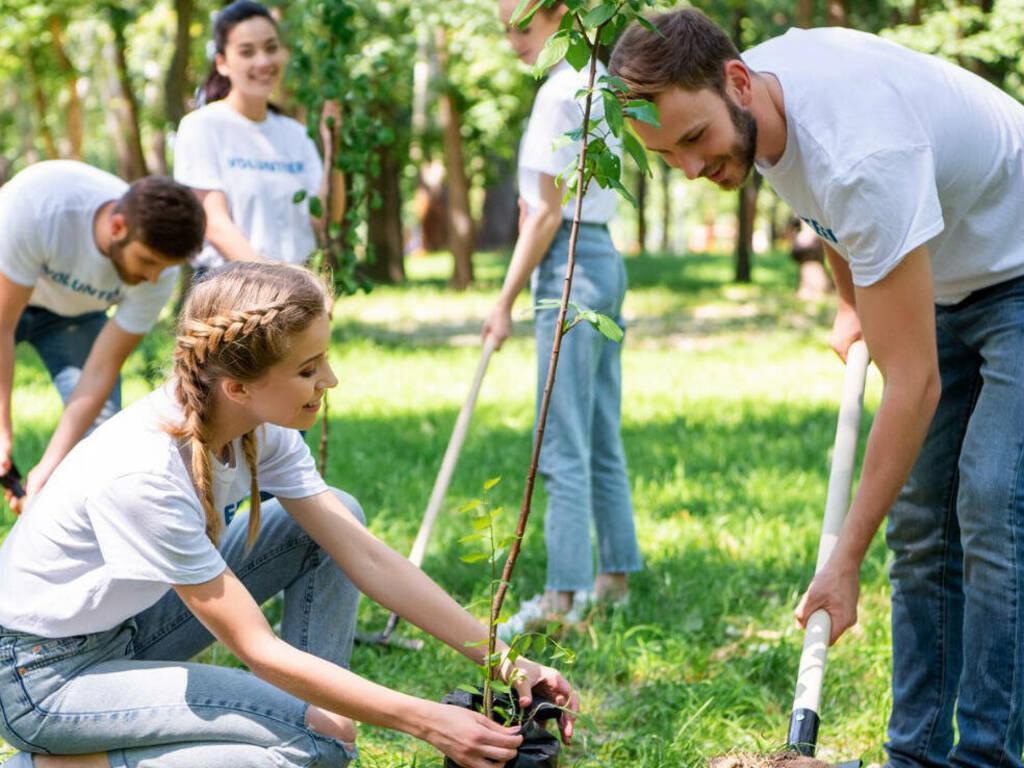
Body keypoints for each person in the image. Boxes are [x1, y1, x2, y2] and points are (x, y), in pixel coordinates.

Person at [610, 9, 1024, 768]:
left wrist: (843, 562)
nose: (691, 169)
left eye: (695, 140)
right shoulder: (753, 99)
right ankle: (916, 754)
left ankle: (990, 755)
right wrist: (848, 297)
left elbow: (914, 385)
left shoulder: (862, 151)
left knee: (994, 501)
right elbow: (827, 211)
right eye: (666, 155)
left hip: (1018, 268)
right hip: (947, 273)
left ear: (737, 81)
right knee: (923, 523)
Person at [0, 262, 577, 768]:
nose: (329, 381)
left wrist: (505, 661)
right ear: (238, 387)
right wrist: (423, 718)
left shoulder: (254, 427)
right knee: (320, 742)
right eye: (308, 369)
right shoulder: (145, 473)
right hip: (41, 680)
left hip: (125, 630)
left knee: (335, 523)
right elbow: (258, 648)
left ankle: (321, 711)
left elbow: (365, 555)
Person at [485, 0, 643, 637]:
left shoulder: (558, 92)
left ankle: (563, 595)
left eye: (522, 27)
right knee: (600, 425)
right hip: (605, 259)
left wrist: (502, 301)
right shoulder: (600, 78)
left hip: (571, 261)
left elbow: (545, 214)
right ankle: (615, 577)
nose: (514, 42)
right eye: (505, 31)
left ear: (557, 15)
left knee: (563, 437)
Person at [0, 160, 205, 513]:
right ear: (117, 226)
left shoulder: (159, 271)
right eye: (147, 261)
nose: (153, 278)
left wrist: (47, 470)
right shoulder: (40, 206)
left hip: (74, 316)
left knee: (101, 433)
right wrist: (1, 429)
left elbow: (99, 372)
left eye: (163, 268)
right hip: (7, 293)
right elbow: (2, 325)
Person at [173, 0, 340, 270]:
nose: (263, 61)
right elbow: (215, 224)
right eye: (247, 52)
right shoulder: (202, 126)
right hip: (230, 288)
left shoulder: (297, 134)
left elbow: (326, 218)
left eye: (271, 48)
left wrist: (334, 145)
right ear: (222, 63)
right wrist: (278, 285)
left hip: (297, 290)